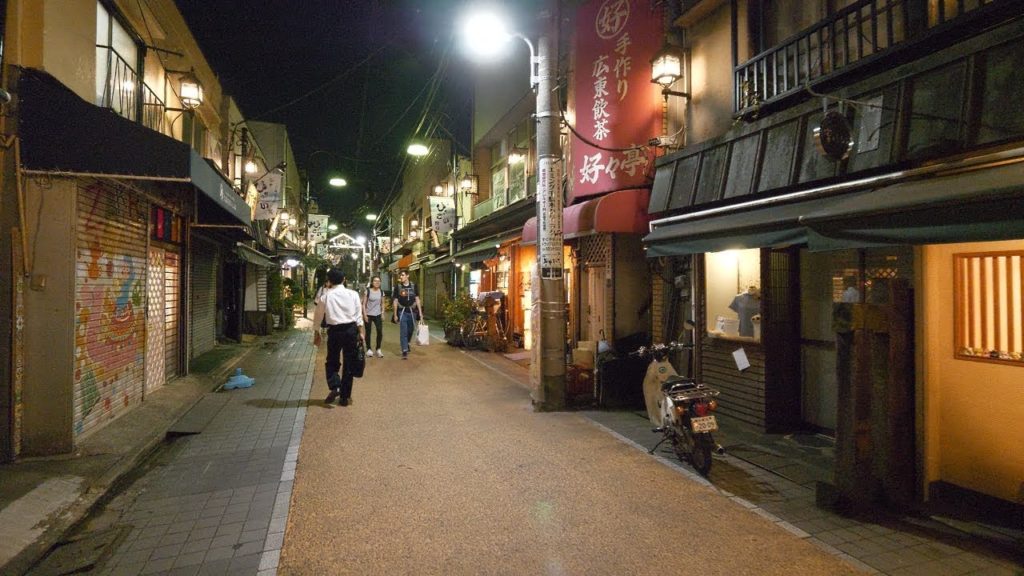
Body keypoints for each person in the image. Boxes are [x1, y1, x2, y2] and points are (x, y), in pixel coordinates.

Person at [312, 268, 365, 406]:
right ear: (344, 279)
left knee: (332, 360)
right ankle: (344, 397)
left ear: (329, 281)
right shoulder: (353, 294)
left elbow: (318, 316)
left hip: (334, 331)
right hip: (351, 330)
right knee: (349, 362)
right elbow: (358, 315)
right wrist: (361, 331)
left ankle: (335, 386)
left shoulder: (326, 296)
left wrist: (316, 332)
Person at [391, 269, 423, 359]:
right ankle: (404, 350)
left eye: (403, 275)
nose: (401, 277)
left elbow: (417, 299)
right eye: (400, 275)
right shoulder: (398, 287)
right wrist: (395, 314)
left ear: (407, 276)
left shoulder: (414, 286)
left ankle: (407, 343)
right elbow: (395, 301)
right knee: (403, 331)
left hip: (412, 312)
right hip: (402, 312)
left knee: (411, 330)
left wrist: (420, 313)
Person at [362, 275, 385, 358]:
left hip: (377, 314)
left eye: (378, 281)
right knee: (368, 332)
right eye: (375, 281)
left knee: (380, 331)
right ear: (372, 282)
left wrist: (382, 313)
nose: (377, 282)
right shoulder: (367, 291)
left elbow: (382, 303)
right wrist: (364, 315)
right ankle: (369, 349)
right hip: (368, 314)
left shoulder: (381, 292)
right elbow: (364, 304)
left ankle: (378, 349)